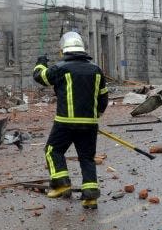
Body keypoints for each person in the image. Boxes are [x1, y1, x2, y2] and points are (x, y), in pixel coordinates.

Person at [33, 32, 108, 209]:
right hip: (89, 124)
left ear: (64, 51)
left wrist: (41, 62)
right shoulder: (96, 70)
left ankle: (61, 183)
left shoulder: (60, 68)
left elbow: (40, 77)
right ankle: (90, 197)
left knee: (53, 150)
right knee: (87, 158)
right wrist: (95, 115)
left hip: (65, 122)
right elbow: (103, 98)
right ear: (82, 50)